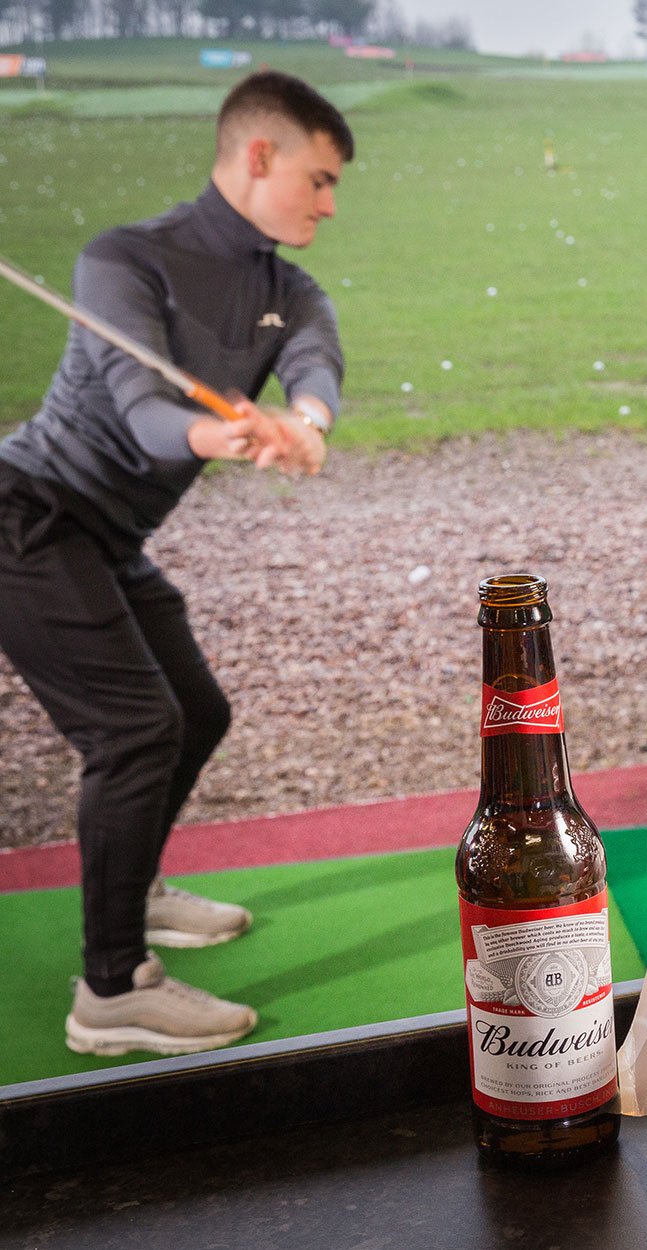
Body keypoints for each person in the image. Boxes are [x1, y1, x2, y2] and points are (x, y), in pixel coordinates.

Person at [0, 71, 351, 1055]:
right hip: (28, 519)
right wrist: (228, 435)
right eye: (319, 180)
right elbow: (146, 414)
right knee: (134, 729)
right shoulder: (122, 259)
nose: (329, 203)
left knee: (199, 711)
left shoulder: (290, 287)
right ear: (259, 157)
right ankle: (110, 989)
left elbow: (316, 363)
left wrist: (305, 423)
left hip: (107, 539)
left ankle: (135, 882)